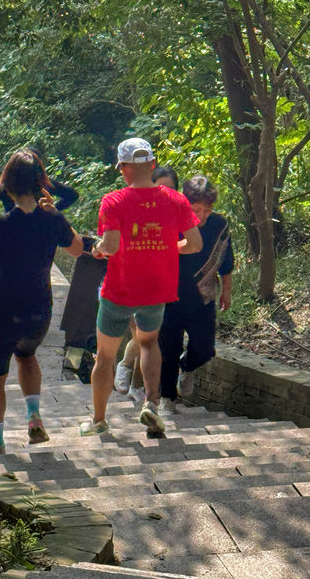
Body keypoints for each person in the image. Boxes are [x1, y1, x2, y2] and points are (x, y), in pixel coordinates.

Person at [80, 139, 202, 437]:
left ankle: (98, 420)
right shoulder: (176, 201)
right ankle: (151, 403)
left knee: (106, 356)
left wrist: (98, 248)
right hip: (156, 289)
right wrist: (165, 247)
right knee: (148, 344)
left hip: (119, 290)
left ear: (123, 169)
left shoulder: (113, 201)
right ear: (152, 164)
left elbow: (110, 245)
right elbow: (195, 244)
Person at [0, 149, 84, 455]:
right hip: (39, 311)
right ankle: (33, 416)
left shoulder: (1, 224)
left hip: (4, 313)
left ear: (6, 185)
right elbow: (77, 249)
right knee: (27, 356)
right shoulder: (53, 220)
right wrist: (58, 213)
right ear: (40, 183)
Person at [159, 176, 233, 414]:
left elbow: (226, 260)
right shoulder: (169, 222)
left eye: (207, 210)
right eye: (196, 210)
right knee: (168, 348)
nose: (201, 216)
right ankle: (166, 398)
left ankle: (188, 367)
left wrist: (227, 291)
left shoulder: (219, 226)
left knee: (204, 348)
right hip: (171, 295)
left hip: (203, 295)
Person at [114, 165, 179, 401]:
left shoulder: (178, 213)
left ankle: (135, 383)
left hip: (165, 285)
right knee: (144, 336)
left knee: (150, 338)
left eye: (170, 188)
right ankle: (128, 369)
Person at [0, 147, 78, 218]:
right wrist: (53, 210)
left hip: (14, 229)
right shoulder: (46, 184)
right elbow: (72, 195)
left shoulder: (7, 186)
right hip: (37, 231)